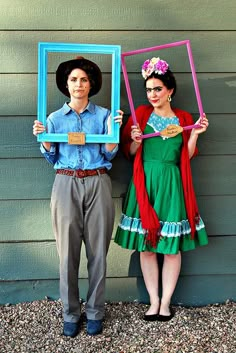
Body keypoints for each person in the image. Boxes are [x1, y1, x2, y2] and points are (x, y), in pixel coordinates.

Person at [33, 56, 123, 337]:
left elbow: (109, 153)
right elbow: (51, 157)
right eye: (73, 79)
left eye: (84, 79)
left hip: (97, 182)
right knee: (67, 254)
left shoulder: (105, 116)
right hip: (66, 184)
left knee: (98, 252)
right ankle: (70, 314)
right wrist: (45, 139)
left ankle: (95, 311)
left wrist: (114, 133)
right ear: (66, 84)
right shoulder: (53, 119)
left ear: (91, 83)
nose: (78, 84)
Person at [115, 57, 209, 322]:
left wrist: (194, 134)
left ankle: (166, 302)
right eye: (148, 89)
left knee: (170, 247)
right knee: (146, 246)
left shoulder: (183, 118)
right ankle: (153, 301)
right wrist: (133, 141)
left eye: (157, 89)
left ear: (170, 90)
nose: (152, 94)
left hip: (171, 183)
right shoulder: (141, 114)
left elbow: (186, 156)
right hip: (143, 181)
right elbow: (130, 153)